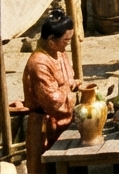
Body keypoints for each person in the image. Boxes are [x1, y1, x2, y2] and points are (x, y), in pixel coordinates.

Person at [23, 9, 77, 174]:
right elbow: (53, 102)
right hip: (46, 128)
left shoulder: (59, 52)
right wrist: (70, 91)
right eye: (66, 40)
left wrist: (75, 84)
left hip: (65, 122)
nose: (68, 43)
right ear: (52, 40)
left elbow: (66, 81)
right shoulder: (39, 63)